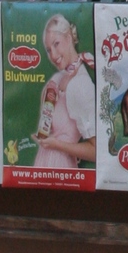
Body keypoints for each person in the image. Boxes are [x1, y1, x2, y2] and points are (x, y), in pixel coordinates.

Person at [33, 14, 96, 172]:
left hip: (62, 169)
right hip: (42, 163)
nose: (53, 55)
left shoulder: (80, 84)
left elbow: (96, 151)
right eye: (49, 50)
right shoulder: (56, 78)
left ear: (69, 38)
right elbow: (47, 126)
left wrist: (57, 145)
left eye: (56, 44)